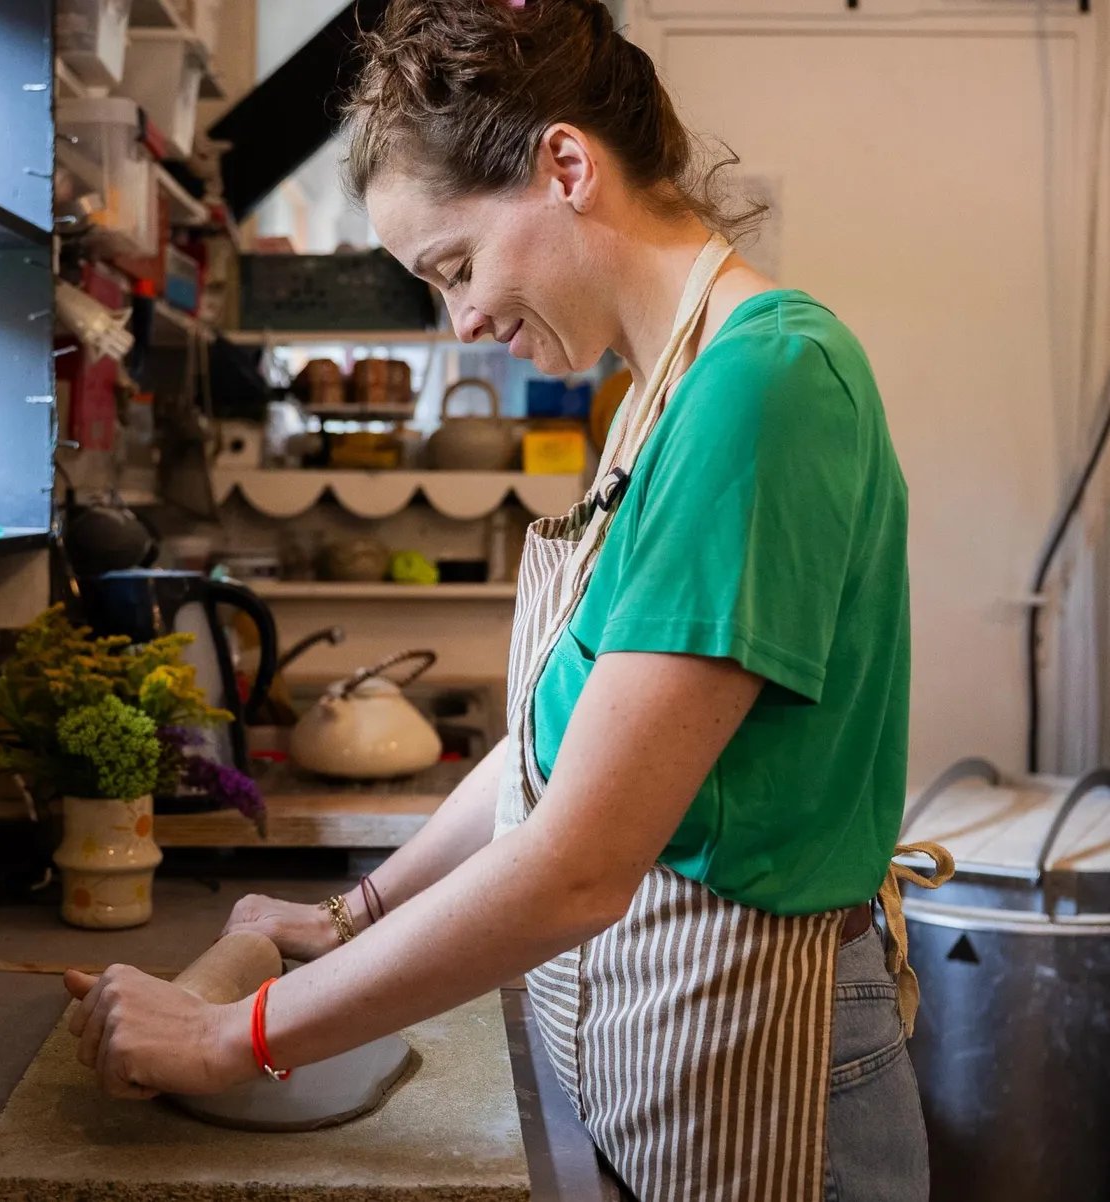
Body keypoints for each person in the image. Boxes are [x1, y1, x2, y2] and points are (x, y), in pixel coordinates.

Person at [62, 2, 951, 1198]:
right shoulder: (659, 400)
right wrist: (355, 910)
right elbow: (555, 746)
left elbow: (577, 861)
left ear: (567, 166)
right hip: (675, 1050)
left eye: (456, 266)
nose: (462, 321)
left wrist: (234, 1035)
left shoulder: (765, 385)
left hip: (781, 1072)